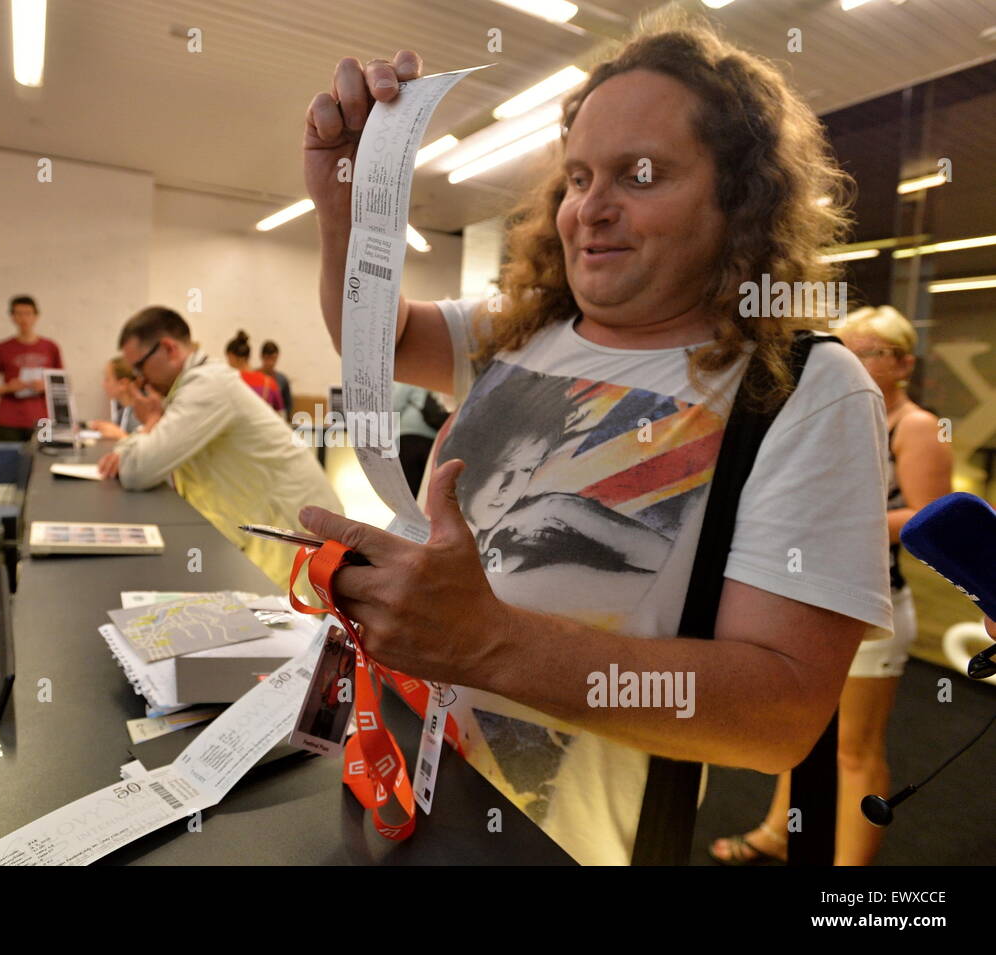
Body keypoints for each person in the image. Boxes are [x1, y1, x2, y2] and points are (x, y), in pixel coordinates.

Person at [297, 18, 894, 865]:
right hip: (394, 770)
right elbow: (380, 341)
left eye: (638, 175)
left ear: (740, 196)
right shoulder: (529, 328)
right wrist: (345, 214)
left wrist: (486, 640)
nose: (590, 207)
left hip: (554, 841)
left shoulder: (806, 389)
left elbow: (780, 714)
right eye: (577, 177)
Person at [711, 305, 953, 865]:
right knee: (798, 732)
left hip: (874, 601)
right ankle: (778, 832)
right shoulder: (838, 415)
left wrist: (825, 521)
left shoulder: (913, 425)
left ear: (903, 363)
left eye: (869, 351)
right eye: (847, 350)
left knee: (854, 751)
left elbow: (929, 518)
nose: (854, 362)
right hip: (812, 596)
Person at [95, 307, 342, 586]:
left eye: (140, 367)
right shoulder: (189, 388)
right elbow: (142, 457)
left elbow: (137, 470)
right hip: (266, 530)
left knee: (293, 625)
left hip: (290, 534)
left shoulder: (208, 386)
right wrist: (146, 432)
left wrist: (151, 421)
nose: (139, 379)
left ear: (168, 348)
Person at [0, 295, 64, 441]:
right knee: (8, 461)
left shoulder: (51, 347)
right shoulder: (1, 348)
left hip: (42, 418)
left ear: (36, 316)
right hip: (9, 419)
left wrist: (45, 386)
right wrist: (9, 387)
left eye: (28, 313)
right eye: (18, 314)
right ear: (12, 317)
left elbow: (62, 385)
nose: (23, 318)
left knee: (43, 459)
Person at [392, 382, 444, 497]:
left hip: (409, 437)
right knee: (428, 489)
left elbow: (394, 405)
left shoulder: (411, 379)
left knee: (408, 492)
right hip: (435, 441)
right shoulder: (442, 379)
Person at [224, 331, 284, 414]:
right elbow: (281, 415)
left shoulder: (229, 382)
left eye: (228, 359)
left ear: (232, 356)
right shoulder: (270, 383)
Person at [87, 356, 140, 440]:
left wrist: (119, 434)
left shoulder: (138, 417)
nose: (103, 385)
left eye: (107, 379)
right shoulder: (122, 413)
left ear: (123, 384)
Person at [260, 340, 294, 422]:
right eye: (267, 358)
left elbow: (288, 407)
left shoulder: (282, 380)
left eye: (273, 358)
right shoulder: (254, 378)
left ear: (277, 357)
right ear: (262, 357)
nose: (270, 363)